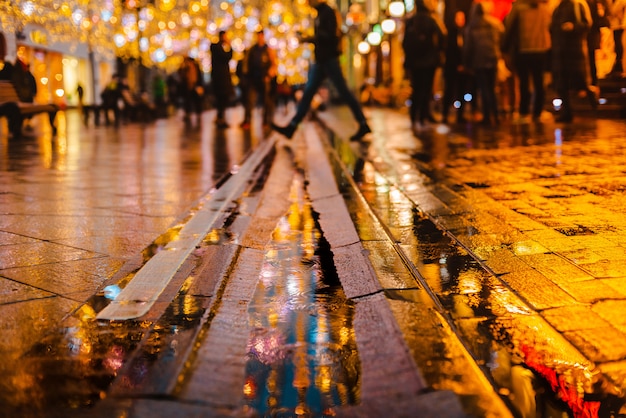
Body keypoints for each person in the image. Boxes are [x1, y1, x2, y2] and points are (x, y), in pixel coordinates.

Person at [271, 0, 371, 141]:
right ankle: (292, 127)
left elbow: (329, 36)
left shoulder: (327, 12)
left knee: (342, 92)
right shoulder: (320, 13)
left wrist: (308, 39)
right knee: (309, 92)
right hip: (322, 60)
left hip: (328, 59)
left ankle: (362, 123)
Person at [502, 0, 552, 122]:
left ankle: (524, 112)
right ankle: (538, 112)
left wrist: (504, 48)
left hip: (522, 49)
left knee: (524, 82)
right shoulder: (545, 8)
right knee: (539, 82)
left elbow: (509, 28)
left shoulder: (518, 8)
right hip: (541, 49)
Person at [402, 0, 447, 129]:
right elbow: (442, 37)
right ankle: (424, 116)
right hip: (429, 62)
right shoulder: (431, 20)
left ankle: (413, 116)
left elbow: (405, 43)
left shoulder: (411, 21)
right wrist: (436, 52)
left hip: (414, 63)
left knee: (416, 89)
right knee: (426, 89)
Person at [549, 0, 594, 122]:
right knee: (562, 83)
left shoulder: (577, 5)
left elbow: (587, 24)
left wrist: (573, 26)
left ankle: (593, 104)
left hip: (574, 50)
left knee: (580, 81)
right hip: (560, 50)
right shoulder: (558, 8)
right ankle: (566, 112)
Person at [464, 1, 504, 126]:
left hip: (479, 61)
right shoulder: (494, 24)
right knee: (492, 89)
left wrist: (466, 63)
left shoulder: (472, 26)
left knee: (484, 89)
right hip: (492, 59)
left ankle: (487, 116)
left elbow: (468, 47)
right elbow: (502, 38)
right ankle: (495, 115)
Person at [240, 30, 278, 129]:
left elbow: (274, 64)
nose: (259, 38)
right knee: (250, 100)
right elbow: (246, 64)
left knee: (266, 100)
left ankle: (266, 121)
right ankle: (247, 120)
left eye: (261, 36)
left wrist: (269, 75)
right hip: (253, 78)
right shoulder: (252, 49)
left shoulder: (268, 50)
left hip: (264, 78)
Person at [442, 10, 469, 124]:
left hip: (463, 68)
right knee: (449, 90)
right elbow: (448, 51)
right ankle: (445, 114)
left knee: (461, 91)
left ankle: (460, 115)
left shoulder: (466, 32)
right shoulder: (450, 33)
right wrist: (456, 64)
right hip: (451, 68)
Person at [211, 31, 234, 128]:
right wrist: (230, 47)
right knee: (222, 99)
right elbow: (227, 57)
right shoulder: (216, 47)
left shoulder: (217, 48)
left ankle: (220, 117)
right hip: (220, 80)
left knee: (222, 100)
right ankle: (220, 119)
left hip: (221, 79)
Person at [178, 55, 204, 122]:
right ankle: (188, 113)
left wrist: (199, 85)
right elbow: (181, 75)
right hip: (187, 86)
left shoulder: (195, 66)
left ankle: (198, 112)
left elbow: (199, 76)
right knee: (188, 101)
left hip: (195, 85)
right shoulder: (184, 67)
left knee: (196, 100)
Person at [608, 0, 626, 75]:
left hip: (620, 25)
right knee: (618, 45)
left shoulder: (620, 1)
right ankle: (619, 64)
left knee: (619, 46)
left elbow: (613, 11)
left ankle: (619, 64)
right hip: (616, 25)